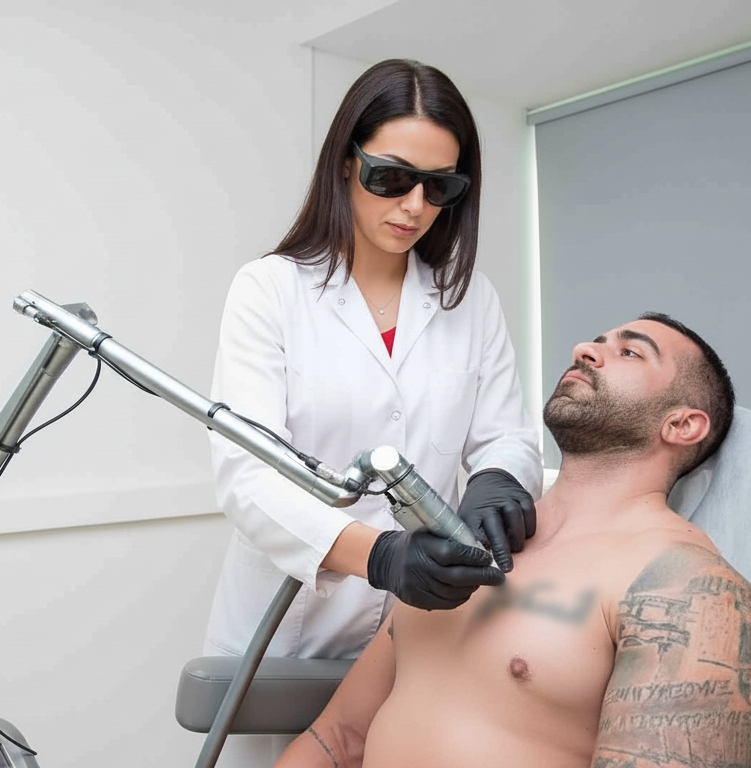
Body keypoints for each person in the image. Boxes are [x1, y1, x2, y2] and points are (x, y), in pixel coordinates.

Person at [202, 59, 543, 761]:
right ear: (344, 164)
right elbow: (248, 475)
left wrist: (498, 481)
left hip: (418, 636)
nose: (415, 206)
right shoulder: (270, 290)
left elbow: (506, 435)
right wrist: (381, 555)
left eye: (439, 186)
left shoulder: (469, 300)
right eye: (391, 177)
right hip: (287, 629)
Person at [276, 313, 751, 768]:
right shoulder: (461, 549)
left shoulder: (692, 593)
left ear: (683, 424)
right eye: (596, 340)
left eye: (630, 352)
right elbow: (337, 740)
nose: (585, 350)